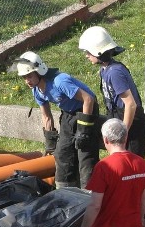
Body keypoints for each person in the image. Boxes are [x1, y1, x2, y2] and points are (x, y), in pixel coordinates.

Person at [14, 50, 99, 189]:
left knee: (85, 155)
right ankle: (65, 192)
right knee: (63, 154)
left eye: (29, 75)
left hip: (87, 110)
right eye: (24, 77)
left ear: (39, 71)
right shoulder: (37, 90)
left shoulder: (60, 82)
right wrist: (50, 142)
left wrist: (84, 130)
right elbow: (46, 116)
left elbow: (88, 99)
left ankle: (89, 194)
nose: (26, 81)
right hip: (68, 113)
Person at [78, 26, 145, 157]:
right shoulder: (105, 70)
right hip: (118, 119)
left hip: (132, 125)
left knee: (130, 165)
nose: (86, 55)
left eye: (88, 51)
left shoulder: (115, 72)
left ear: (98, 51)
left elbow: (130, 104)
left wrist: (124, 133)